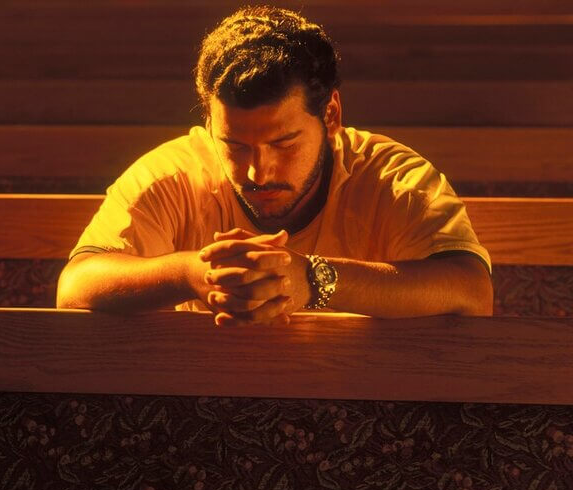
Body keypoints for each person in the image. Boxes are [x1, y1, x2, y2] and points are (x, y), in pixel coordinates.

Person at [57, 5, 493, 325]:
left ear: (331, 116)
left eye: (284, 144)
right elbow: (74, 289)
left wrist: (314, 279)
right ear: (209, 123)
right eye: (234, 145)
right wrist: (191, 273)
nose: (257, 172)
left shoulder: (396, 178)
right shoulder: (172, 173)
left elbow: (472, 290)